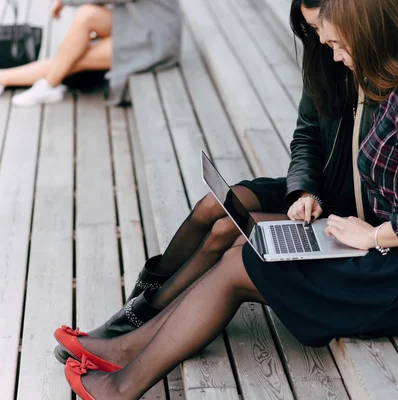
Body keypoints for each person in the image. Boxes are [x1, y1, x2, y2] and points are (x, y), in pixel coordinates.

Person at [54, 0, 398, 398]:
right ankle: (124, 350)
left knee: (243, 262)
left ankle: (120, 380)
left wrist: (371, 233)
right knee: (247, 245)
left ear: (371, 32)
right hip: (396, 251)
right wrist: (332, 213)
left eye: (339, 44)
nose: (334, 56)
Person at [53, 0, 376, 364]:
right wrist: (303, 188)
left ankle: (143, 319)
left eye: (322, 29)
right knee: (215, 205)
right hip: (316, 190)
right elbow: (306, 137)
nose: (318, 40)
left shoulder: (365, 65)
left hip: (346, 211)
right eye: (313, 31)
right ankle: (143, 303)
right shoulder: (326, 57)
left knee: (227, 232)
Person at [0, 0, 181, 107]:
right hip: (137, 22)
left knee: (72, 60)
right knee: (87, 15)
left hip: (155, 39)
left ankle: (38, 83)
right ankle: (27, 81)